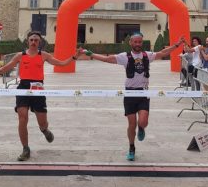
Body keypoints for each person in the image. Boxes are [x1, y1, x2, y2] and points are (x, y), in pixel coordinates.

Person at [79, 32, 185, 161]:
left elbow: (163, 53)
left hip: (144, 93)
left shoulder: (147, 55)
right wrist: (91, 54)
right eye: (135, 42)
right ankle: (131, 147)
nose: (137, 44)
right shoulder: (125, 57)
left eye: (139, 42)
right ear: (130, 42)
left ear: (142, 42)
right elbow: (107, 59)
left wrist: (177, 44)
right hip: (129, 93)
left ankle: (141, 128)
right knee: (131, 124)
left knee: (143, 122)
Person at [0, 31, 76, 161]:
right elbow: (8, 66)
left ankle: (44, 130)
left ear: (39, 42)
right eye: (31, 40)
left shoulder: (44, 55)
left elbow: (62, 64)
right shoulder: (20, 55)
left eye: (36, 40)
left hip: (38, 89)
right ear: (28, 41)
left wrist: (74, 57)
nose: (34, 42)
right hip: (23, 88)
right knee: (22, 117)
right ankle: (25, 148)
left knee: (42, 122)